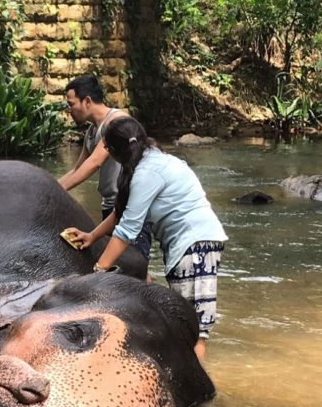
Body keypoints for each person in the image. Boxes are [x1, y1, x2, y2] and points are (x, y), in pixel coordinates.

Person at [63, 117, 227, 362]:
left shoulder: (147, 172)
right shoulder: (150, 161)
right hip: (189, 245)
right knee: (182, 322)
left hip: (197, 245)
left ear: (114, 152)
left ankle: (200, 392)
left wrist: (97, 270)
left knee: (194, 329)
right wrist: (92, 236)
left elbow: (128, 230)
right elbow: (123, 212)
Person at [57, 75, 153, 262]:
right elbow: (78, 168)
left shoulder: (116, 122)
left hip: (131, 205)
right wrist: (51, 187)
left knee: (133, 264)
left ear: (87, 101)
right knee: (122, 266)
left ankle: (151, 291)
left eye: (71, 104)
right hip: (111, 206)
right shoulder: (92, 132)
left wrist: (58, 192)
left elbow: (94, 163)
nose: (69, 110)